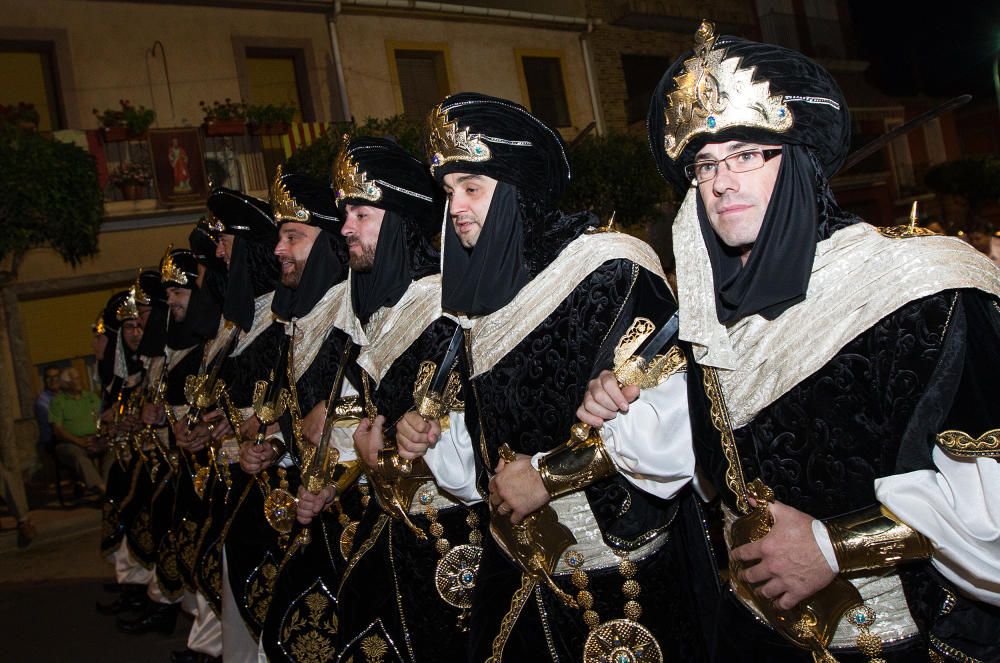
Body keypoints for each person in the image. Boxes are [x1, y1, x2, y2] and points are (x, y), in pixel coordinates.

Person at [587, 21, 1000, 662]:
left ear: (799, 155)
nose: (722, 182)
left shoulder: (927, 289)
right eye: (705, 164)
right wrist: (622, 405)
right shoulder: (709, 319)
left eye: (748, 154)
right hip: (750, 635)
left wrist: (837, 546)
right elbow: (698, 466)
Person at [399, 93, 703, 662]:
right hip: (511, 564)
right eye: (449, 192)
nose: (457, 208)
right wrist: (432, 437)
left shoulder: (610, 270)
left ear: (517, 192)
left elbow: (676, 426)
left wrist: (548, 475)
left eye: (473, 188)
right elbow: (479, 451)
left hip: (615, 576)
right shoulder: (478, 307)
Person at [327, 136, 477, 662]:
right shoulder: (377, 309)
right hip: (393, 525)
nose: (345, 227)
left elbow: (461, 447)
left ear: (399, 221)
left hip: (448, 536)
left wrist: (382, 458)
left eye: (361, 214)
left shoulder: (444, 311)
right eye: (346, 213)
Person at [49, 367, 108, 495]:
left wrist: (100, 436)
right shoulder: (58, 402)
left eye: (79, 378)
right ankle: (100, 487)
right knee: (79, 455)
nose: (80, 381)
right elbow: (57, 429)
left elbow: (103, 419)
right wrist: (79, 441)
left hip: (94, 438)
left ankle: (109, 485)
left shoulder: (91, 397)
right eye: (75, 379)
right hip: (70, 442)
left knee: (112, 448)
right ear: (66, 384)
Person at [35, 365, 61, 451]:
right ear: (45, 380)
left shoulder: (65, 395)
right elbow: (57, 424)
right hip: (52, 440)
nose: (53, 380)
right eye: (49, 377)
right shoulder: (42, 400)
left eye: (56, 377)